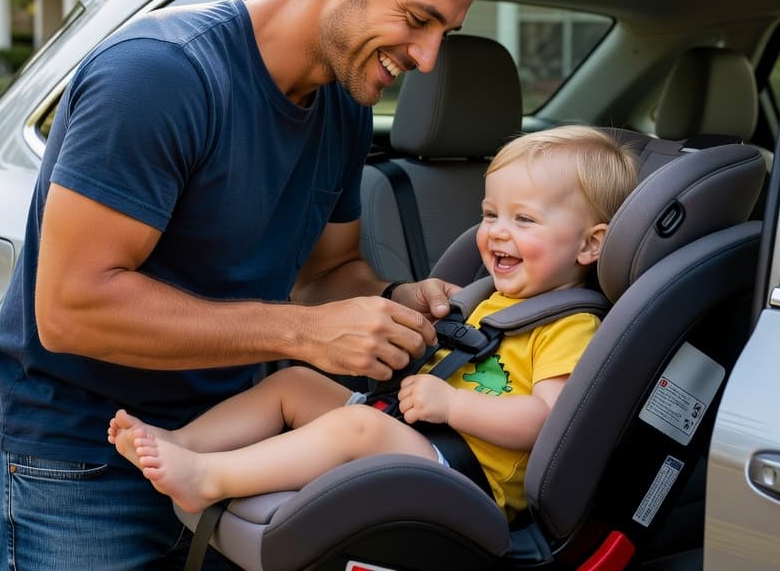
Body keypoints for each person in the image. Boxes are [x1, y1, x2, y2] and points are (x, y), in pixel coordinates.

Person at [0, 0, 515, 569]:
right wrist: (306, 334)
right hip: (78, 468)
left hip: (235, 452)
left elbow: (326, 271)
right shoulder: (161, 77)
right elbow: (72, 308)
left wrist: (387, 301)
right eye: (417, 20)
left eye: (445, 30)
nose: (426, 56)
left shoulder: (343, 106)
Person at [109, 125, 641, 523]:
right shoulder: (496, 300)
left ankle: (207, 479)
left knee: (355, 426)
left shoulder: (569, 327)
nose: (497, 233)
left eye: (524, 220)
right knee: (294, 383)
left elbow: (550, 420)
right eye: (490, 214)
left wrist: (453, 404)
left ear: (592, 243)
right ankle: (183, 441)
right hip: (422, 433)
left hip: (470, 476)